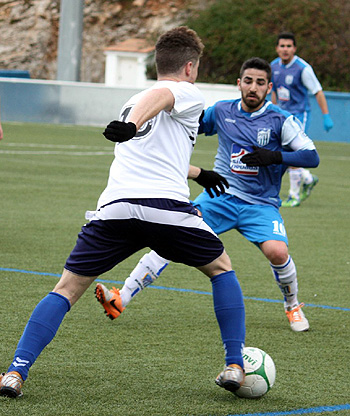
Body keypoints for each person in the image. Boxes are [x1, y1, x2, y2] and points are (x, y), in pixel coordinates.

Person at [0, 26, 246, 399]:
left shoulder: (131, 100)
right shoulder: (184, 91)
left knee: (66, 289)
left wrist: (198, 172)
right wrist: (133, 125)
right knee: (221, 268)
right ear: (190, 67)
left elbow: (156, 151)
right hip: (166, 210)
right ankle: (234, 364)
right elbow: (164, 94)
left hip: (116, 209)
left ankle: (15, 372)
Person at [95, 57, 319, 337]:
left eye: (260, 83)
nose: (253, 87)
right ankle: (120, 299)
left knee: (278, 251)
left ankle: (292, 305)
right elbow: (186, 123)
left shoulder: (281, 120)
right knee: (169, 235)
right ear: (239, 84)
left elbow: (311, 156)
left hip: (261, 204)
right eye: (248, 81)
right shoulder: (222, 111)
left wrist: (275, 156)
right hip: (220, 196)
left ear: (269, 88)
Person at [271, 31, 333, 207]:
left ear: (294, 49)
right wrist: (273, 111)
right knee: (282, 152)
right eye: (282, 46)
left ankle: (294, 196)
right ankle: (307, 178)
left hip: (299, 115)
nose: (285, 49)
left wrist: (326, 115)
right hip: (282, 116)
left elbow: (318, 91)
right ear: (277, 48)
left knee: (293, 153)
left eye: (289, 46)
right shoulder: (273, 67)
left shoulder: (303, 68)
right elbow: (274, 91)